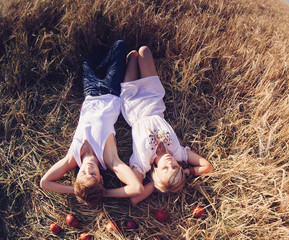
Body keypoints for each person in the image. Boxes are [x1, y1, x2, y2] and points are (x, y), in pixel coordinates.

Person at [40, 40, 143, 206]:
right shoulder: (109, 160)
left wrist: (76, 189)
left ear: (77, 176)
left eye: (83, 174)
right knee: (120, 45)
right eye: (93, 174)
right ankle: (105, 65)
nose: (88, 168)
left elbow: (44, 183)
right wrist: (104, 193)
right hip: (111, 90)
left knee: (87, 63)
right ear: (101, 179)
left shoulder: (72, 158)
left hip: (90, 91)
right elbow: (137, 188)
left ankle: (102, 63)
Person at [120, 46, 213, 205]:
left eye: (165, 169)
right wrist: (186, 172)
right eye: (175, 168)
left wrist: (157, 185)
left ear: (155, 173)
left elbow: (134, 197)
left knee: (133, 56)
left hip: (132, 107)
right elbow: (207, 166)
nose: (170, 164)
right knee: (144, 51)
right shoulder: (178, 153)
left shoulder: (142, 163)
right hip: (153, 99)